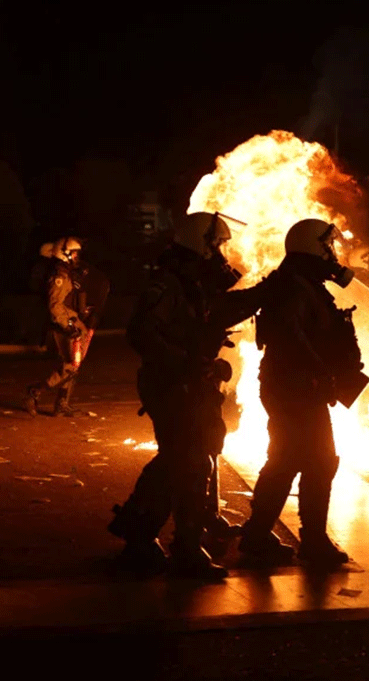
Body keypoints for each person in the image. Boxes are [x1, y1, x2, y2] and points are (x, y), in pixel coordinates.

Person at [107, 212, 267, 580]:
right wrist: (189, 363)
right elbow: (143, 335)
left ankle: (140, 535)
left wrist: (267, 290)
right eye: (218, 245)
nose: (222, 253)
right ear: (201, 243)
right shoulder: (168, 286)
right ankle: (184, 549)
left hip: (188, 383)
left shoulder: (191, 284)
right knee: (189, 464)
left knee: (179, 461)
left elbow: (219, 312)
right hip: (172, 385)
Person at [239, 218, 363, 568]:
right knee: (315, 461)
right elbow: (291, 335)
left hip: (294, 387)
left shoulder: (301, 283)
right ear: (314, 248)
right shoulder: (296, 287)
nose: (334, 254)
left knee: (289, 459)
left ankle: (259, 535)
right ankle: (310, 542)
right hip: (295, 388)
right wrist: (321, 373)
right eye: (328, 247)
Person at [24, 237, 88, 417]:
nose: (77, 257)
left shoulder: (67, 273)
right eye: (74, 253)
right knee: (70, 366)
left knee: (72, 366)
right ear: (65, 253)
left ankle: (62, 403)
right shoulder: (59, 276)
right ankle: (35, 391)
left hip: (70, 324)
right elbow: (55, 306)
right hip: (62, 327)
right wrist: (68, 325)